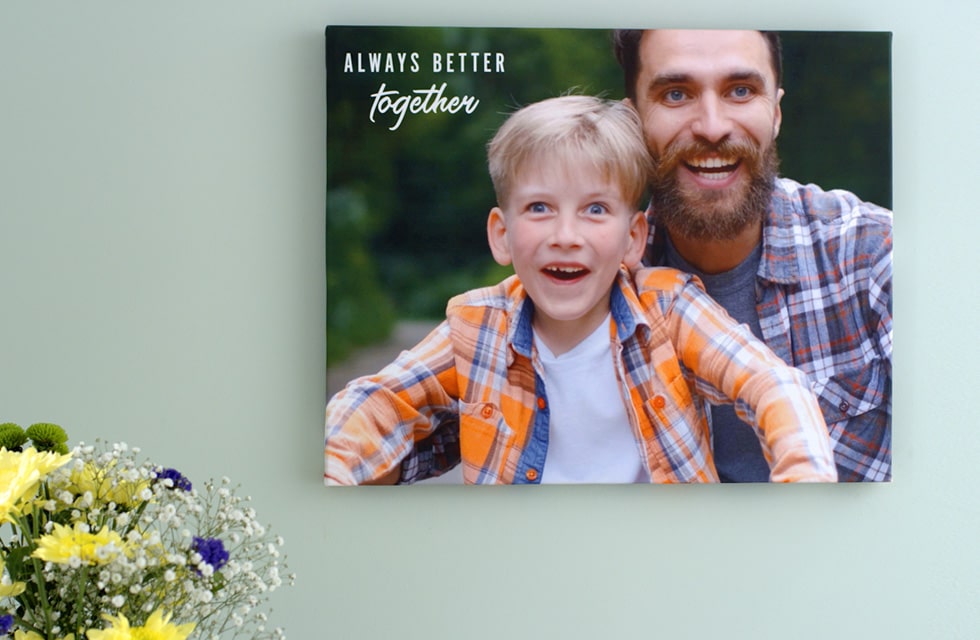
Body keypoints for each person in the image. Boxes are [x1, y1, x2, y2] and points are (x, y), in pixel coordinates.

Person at [325, 95, 837, 485]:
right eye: (540, 208)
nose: (565, 236)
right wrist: (329, 476)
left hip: (660, 567)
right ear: (501, 235)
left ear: (633, 238)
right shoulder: (477, 329)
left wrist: (802, 480)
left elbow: (771, 384)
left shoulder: (668, 310)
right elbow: (377, 403)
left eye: (595, 209)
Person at [612, 29, 892, 482]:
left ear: (776, 112)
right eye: (676, 93)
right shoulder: (589, 290)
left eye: (740, 91)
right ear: (633, 123)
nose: (712, 125)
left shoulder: (875, 255)